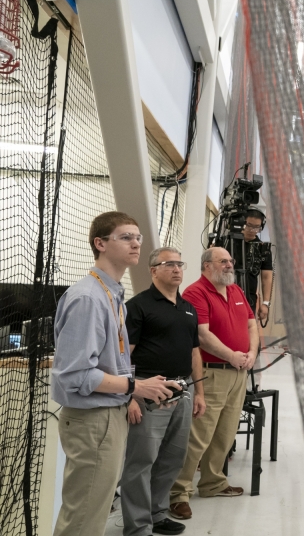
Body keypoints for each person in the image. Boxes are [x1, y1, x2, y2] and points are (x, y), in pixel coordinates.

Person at [51, 212, 179, 536]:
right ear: (100, 244)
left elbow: (112, 363)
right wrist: (136, 387)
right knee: (82, 521)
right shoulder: (88, 298)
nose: (136, 243)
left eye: (137, 237)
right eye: (126, 237)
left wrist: (137, 393)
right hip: (93, 422)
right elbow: (76, 375)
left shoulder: (114, 296)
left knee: (91, 514)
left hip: (109, 416)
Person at [119, 247, 204, 536]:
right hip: (148, 392)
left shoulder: (188, 308)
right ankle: (138, 526)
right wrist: (129, 396)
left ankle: (157, 514)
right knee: (141, 461)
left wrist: (200, 393)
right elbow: (123, 356)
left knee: (173, 458)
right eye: (169, 264)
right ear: (153, 270)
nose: (177, 269)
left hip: (182, 391)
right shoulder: (138, 306)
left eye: (180, 263)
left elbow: (194, 353)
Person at [169, 247, 258, 520]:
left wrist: (252, 354)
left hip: (239, 373)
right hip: (213, 373)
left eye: (231, 260)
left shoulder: (236, 291)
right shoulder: (196, 292)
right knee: (199, 436)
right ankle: (178, 493)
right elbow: (202, 336)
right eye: (224, 261)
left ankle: (212, 483)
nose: (230, 265)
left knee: (225, 432)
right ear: (207, 266)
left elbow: (253, 324)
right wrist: (232, 356)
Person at [232, 207, 274, 325]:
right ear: (243, 223)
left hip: (249, 297)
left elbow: (266, 277)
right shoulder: (228, 242)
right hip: (225, 295)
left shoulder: (262, 248)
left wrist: (265, 303)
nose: (252, 230)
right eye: (249, 225)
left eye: (257, 227)